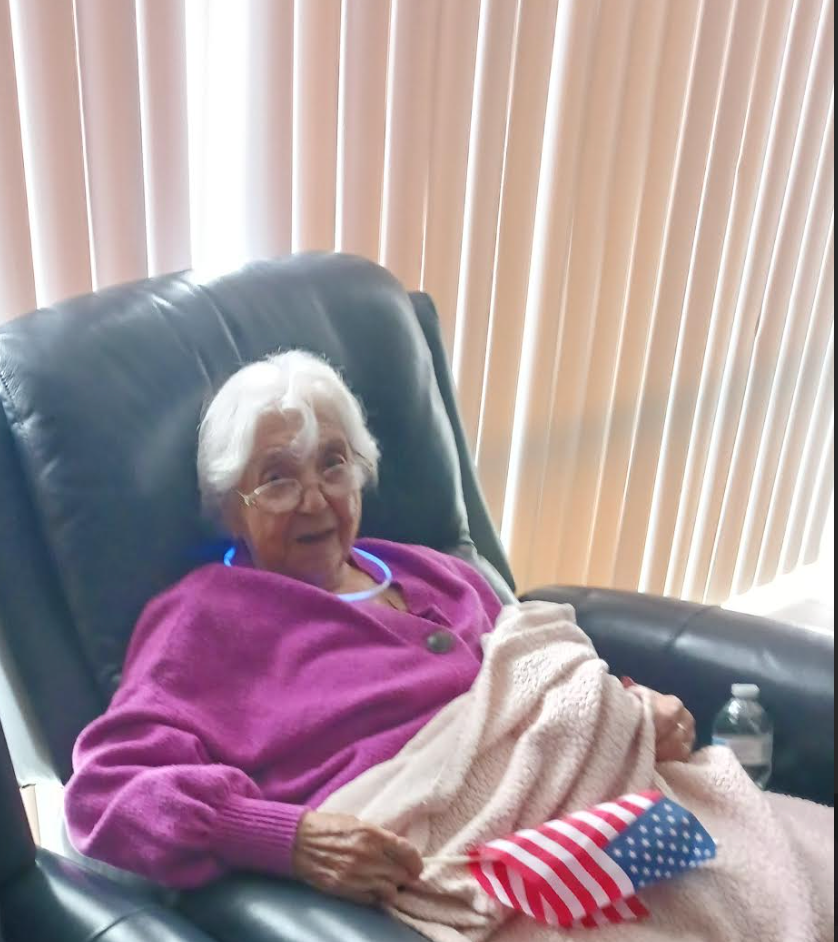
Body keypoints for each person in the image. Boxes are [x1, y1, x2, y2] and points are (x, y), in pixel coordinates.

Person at [65, 350, 695, 895]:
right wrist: (286, 837)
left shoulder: (435, 572)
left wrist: (631, 712)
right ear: (233, 509)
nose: (316, 498)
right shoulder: (203, 619)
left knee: (731, 879)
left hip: (581, 816)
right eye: (278, 479)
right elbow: (106, 792)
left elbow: (539, 679)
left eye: (333, 464)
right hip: (468, 863)